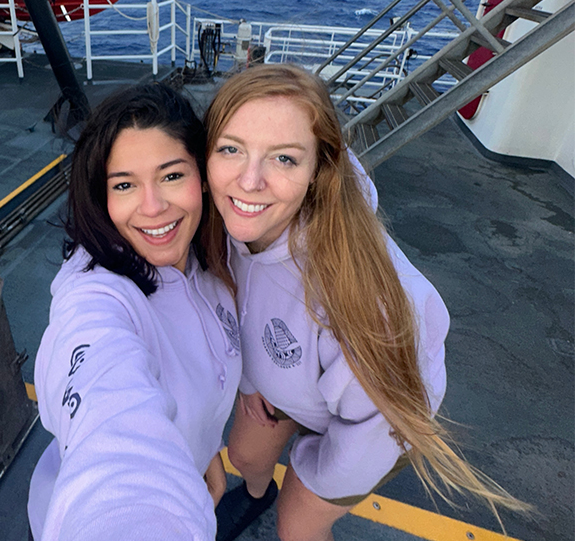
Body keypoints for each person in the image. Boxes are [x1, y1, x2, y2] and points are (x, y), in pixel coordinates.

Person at [203, 64, 528, 541]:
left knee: (299, 530)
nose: (249, 182)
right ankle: (256, 493)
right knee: (246, 457)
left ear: (320, 169)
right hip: (291, 384)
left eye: (285, 159)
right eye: (231, 149)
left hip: (370, 424)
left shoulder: (364, 297)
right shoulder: (230, 221)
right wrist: (253, 379)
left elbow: (380, 425)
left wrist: (315, 477)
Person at [26, 84, 241, 541]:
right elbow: (111, 417)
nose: (152, 206)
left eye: (171, 176)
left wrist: (205, 452)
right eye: (124, 184)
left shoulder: (209, 257)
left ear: (203, 176)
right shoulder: (96, 296)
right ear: (101, 197)